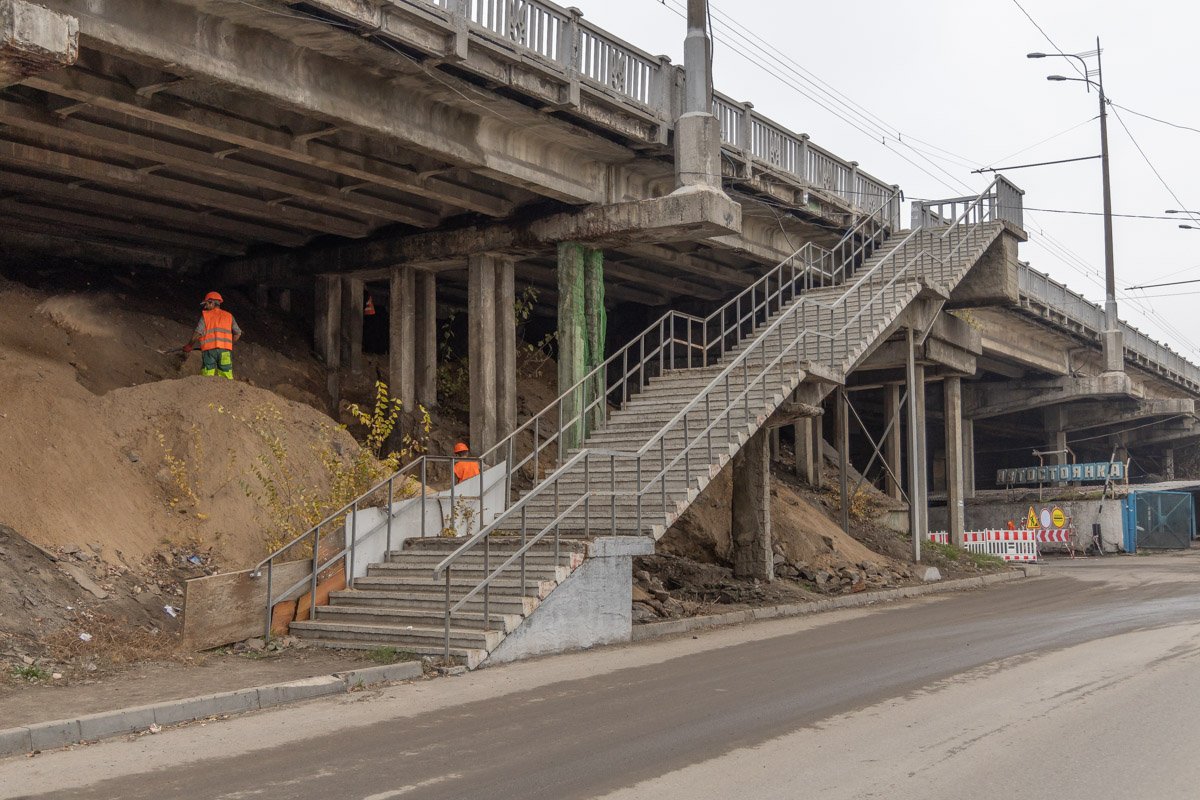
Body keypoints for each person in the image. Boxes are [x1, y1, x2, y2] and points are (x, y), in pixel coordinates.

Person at [183, 291, 241, 379]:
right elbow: (238, 334)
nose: (205, 307)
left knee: (207, 375)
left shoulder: (206, 316)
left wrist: (189, 345)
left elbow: (198, 333)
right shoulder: (229, 316)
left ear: (211, 302)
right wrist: (228, 345)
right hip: (225, 351)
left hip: (209, 351)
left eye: (206, 304)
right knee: (227, 376)